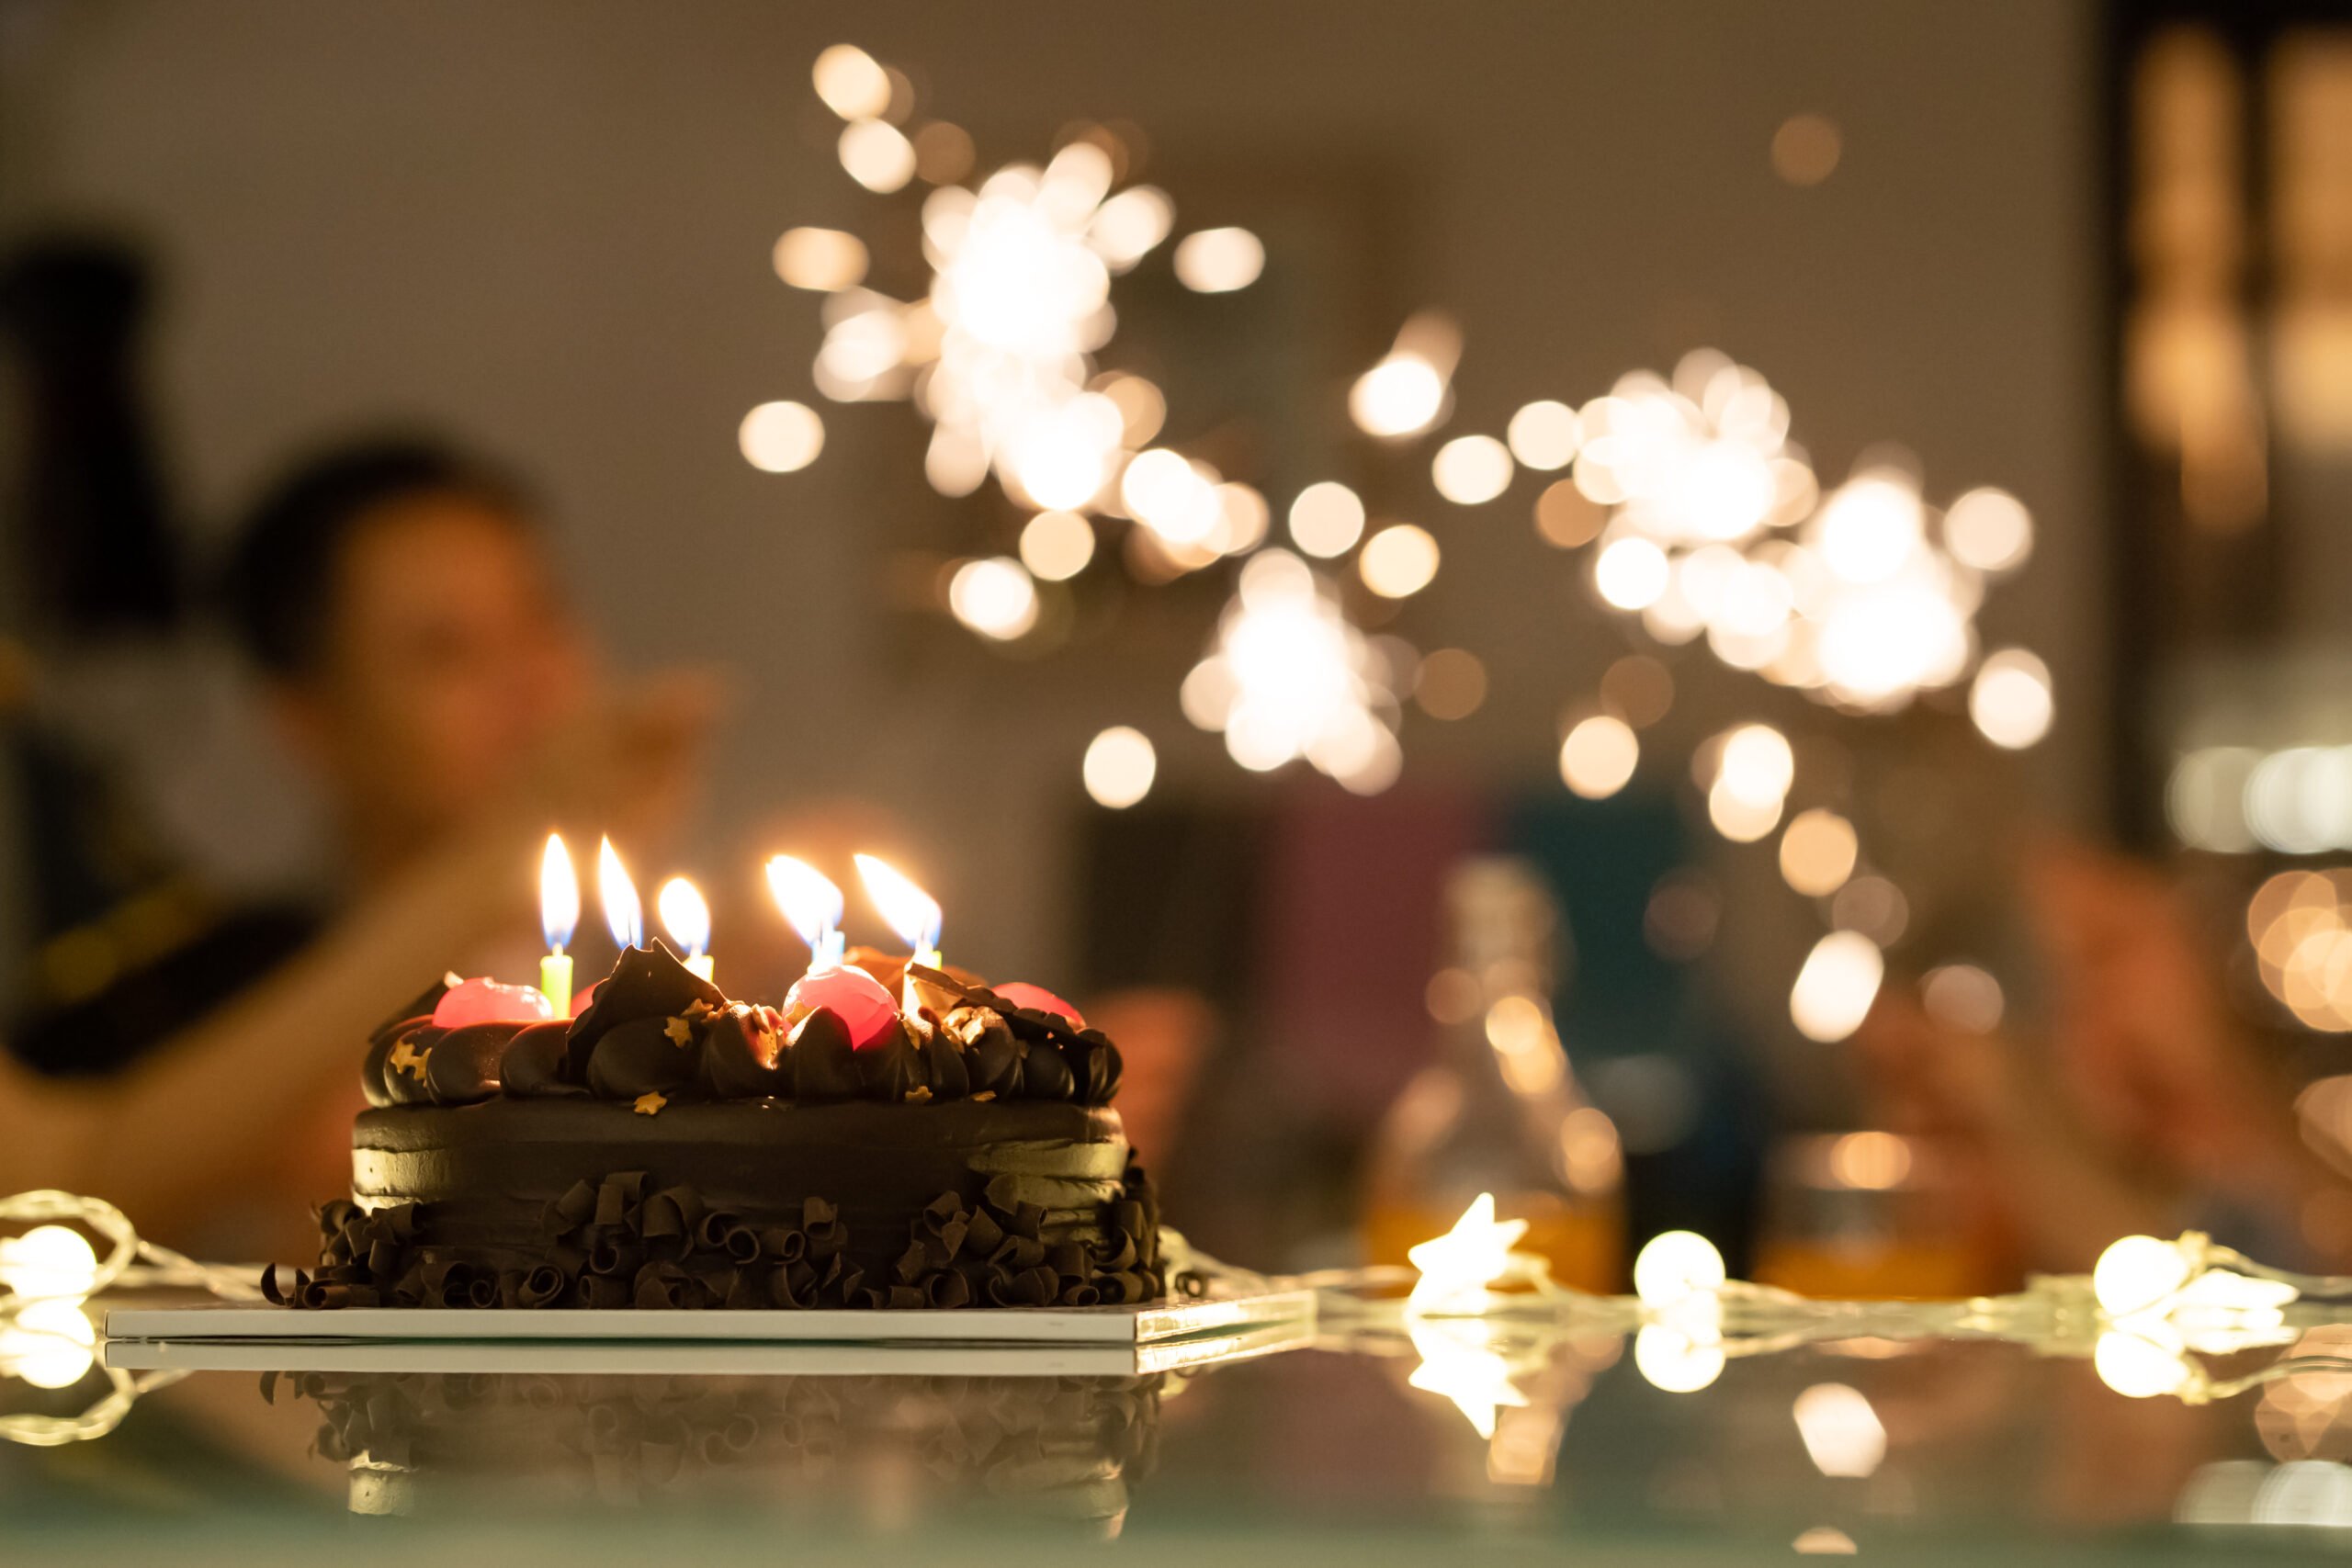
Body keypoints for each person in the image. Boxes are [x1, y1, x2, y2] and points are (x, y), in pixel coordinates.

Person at [3, 437, 717, 1254]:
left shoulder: (687, 978)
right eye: (445, 651)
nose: (529, 680)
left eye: (542, 615)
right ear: (307, 718)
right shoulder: (182, 1007)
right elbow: (67, 1204)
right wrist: (487, 870)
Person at [1858, 842, 2347, 1274]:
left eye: (2103, 952)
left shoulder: (2266, 1167)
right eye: (2054, 981)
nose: (2083, 1005)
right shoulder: (2001, 1188)